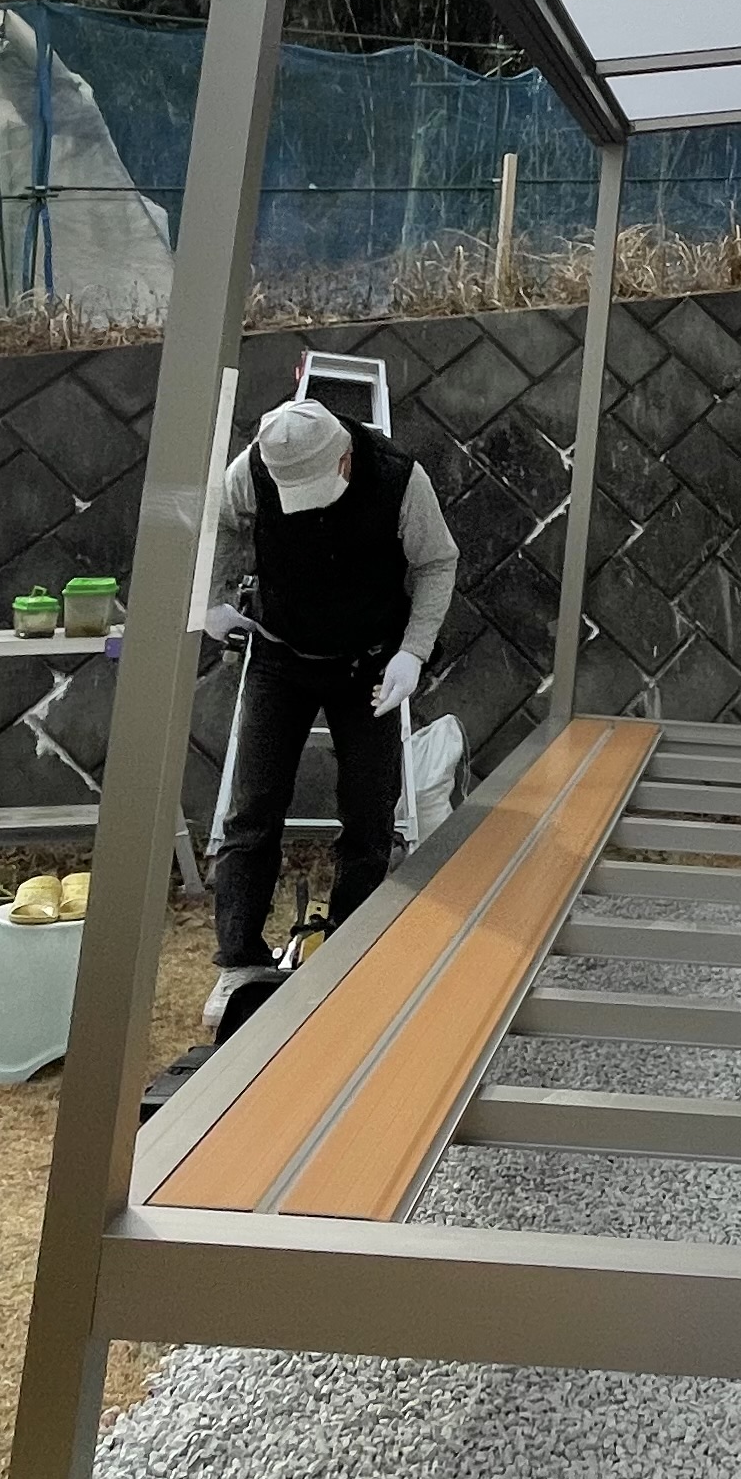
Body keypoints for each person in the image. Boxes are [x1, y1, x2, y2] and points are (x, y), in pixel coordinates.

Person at [196, 394, 457, 1015]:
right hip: (279, 654)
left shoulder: (398, 478)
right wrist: (211, 599)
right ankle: (238, 962)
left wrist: (413, 653)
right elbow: (215, 524)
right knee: (252, 811)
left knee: (369, 811)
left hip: (369, 663)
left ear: (343, 459)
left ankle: (350, 947)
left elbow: (436, 562)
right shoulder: (253, 468)